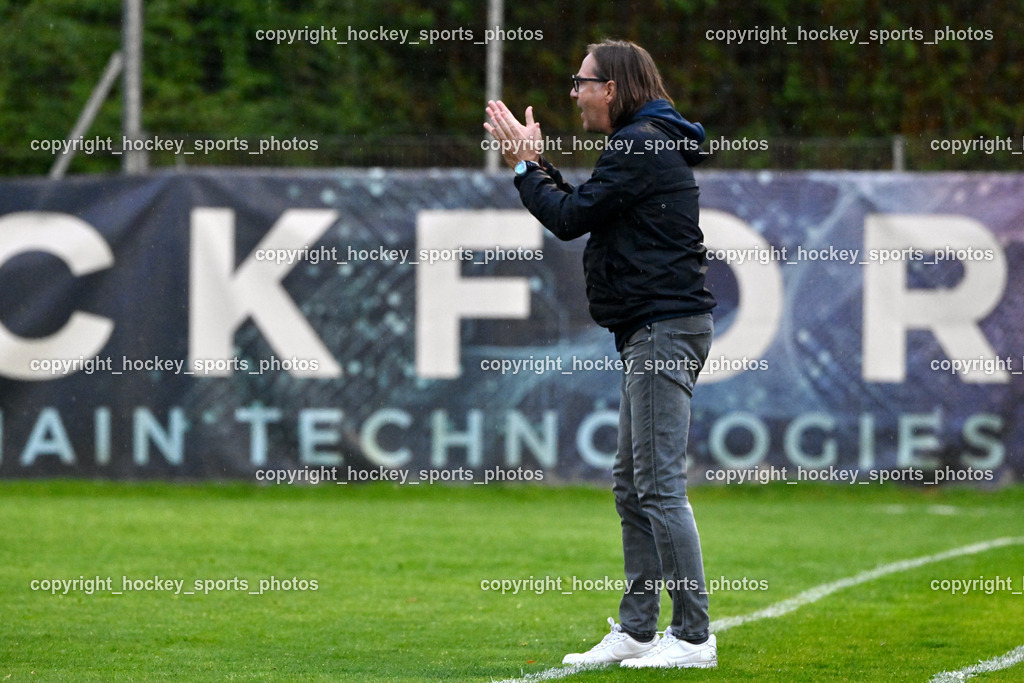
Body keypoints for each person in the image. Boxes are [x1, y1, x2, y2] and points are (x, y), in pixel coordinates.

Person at [484, 39, 717, 669]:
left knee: (658, 485)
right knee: (633, 482)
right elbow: (581, 208)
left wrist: (528, 166)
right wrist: (533, 168)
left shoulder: (641, 143)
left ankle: (693, 636)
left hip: (662, 328)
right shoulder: (642, 141)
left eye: (580, 81)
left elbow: (566, 218)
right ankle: (640, 628)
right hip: (650, 329)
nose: (574, 93)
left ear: (609, 88)